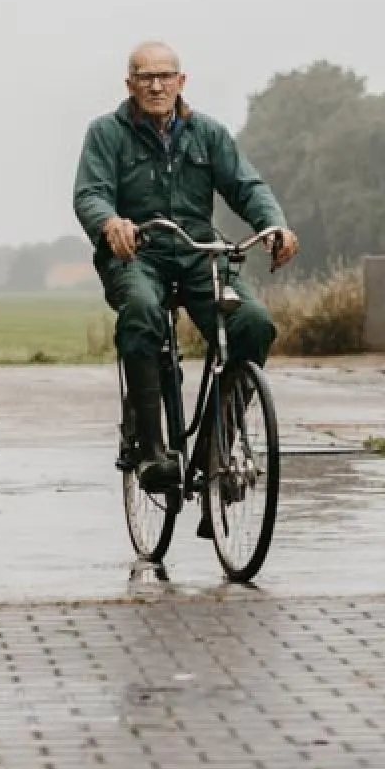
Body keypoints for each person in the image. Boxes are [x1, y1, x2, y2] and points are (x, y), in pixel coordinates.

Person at [73, 42, 300, 509]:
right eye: (144, 77)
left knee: (253, 323)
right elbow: (90, 193)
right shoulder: (106, 133)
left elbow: (246, 185)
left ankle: (216, 447)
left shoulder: (208, 134)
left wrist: (273, 224)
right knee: (140, 311)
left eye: (164, 76)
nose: (155, 85)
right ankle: (152, 449)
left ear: (182, 81)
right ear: (130, 85)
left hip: (198, 250)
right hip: (138, 252)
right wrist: (110, 223)